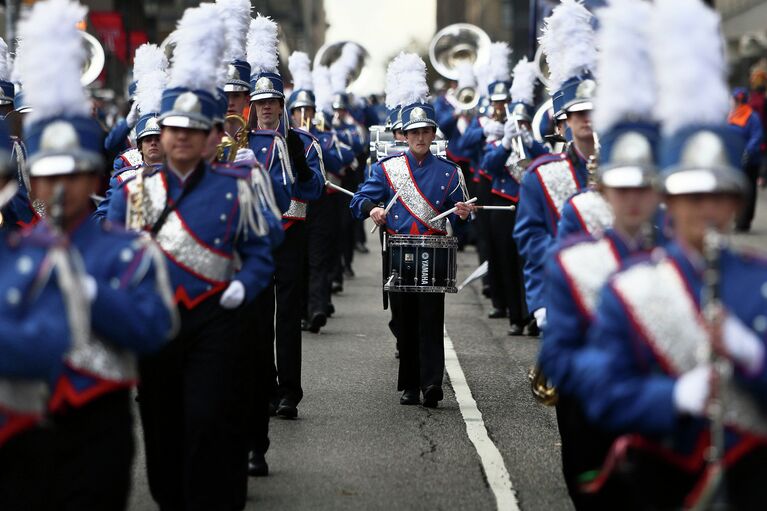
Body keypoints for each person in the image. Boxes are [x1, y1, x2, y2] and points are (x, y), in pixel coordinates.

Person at [577, 1, 767, 508]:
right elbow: (605, 397)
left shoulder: (760, 278)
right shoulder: (630, 288)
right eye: (690, 197)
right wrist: (675, 398)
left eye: (717, 196)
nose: (704, 210)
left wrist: (752, 356)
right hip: (659, 477)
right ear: (669, 200)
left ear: (734, 202)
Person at [107, 5, 275, 509]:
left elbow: (263, 246)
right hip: (156, 324)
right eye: (171, 128)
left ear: (211, 137)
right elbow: (115, 256)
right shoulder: (131, 192)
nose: (179, 137)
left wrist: (247, 283)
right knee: (161, 427)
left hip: (216, 322)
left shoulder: (238, 187)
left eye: (191, 129)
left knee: (210, 418)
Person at [15, 2, 178, 508]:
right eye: (49, 175)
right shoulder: (12, 253)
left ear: (95, 178)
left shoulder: (127, 252)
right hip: (22, 429)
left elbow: (154, 330)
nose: (60, 188)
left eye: (75, 173)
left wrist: (84, 289)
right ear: (33, 179)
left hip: (97, 428)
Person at [351, 53, 473, 408]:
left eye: (426, 131)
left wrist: (464, 212)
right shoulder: (387, 169)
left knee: (431, 321)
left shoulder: (450, 172)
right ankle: (410, 383)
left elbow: (462, 211)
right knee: (404, 321)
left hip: (433, 253)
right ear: (404, 136)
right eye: (414, 132)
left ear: (434, 134)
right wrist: (373, 209)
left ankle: (432, 384)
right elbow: (358, 200)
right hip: (400, 252)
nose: (420, 137)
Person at [513, 0, 597, 334]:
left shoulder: (623, 171)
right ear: (564, 122)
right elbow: (530, 237)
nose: (587, 119)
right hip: (560, 288)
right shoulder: (542, 173)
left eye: (593, 110)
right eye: (579, 113)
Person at [481, 56, 547, 336]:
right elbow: (489, 167)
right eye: (516, 121)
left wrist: (530, 145)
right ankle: (514, 315)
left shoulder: (535, 144)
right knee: (506, 260)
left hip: (528, 204)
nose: (520, 126)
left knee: (529, 262)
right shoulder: (498, 141)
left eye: (524, 121)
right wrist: (507, 143)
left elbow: (546, 164)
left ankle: (533, 314)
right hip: (503, 203)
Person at [93, 43, 168, 222]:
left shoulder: (184, 174)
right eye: (148, 139)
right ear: (140, 146)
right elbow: (109, 146)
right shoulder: (125, 173)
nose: (153, 143)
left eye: (158, 138)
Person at [728, 86, 763, 232]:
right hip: (735, 160)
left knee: (748, 191)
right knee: (736, 190)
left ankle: (744, 221)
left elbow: (757, 135)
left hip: (749, 160)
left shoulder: (751, 116)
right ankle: (737, 218)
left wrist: (748, 150)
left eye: (733, 99)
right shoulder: (731, 115)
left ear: (738, 100)